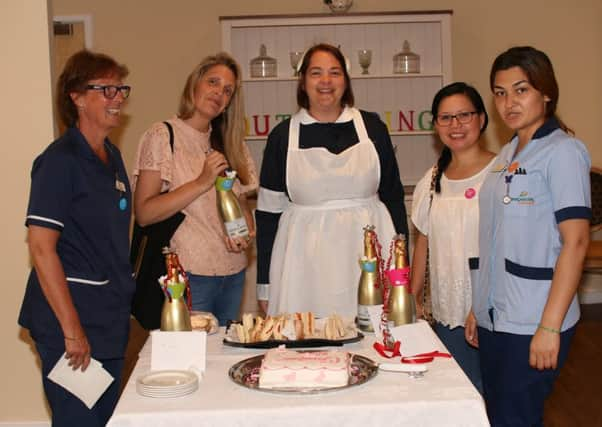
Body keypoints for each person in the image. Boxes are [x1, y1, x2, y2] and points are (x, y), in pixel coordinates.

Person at [471, 46, 591, 426]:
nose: (508, 102)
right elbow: (495, 239)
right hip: (496, 318)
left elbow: (576, 242)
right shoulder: (507, 153)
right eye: (500, 92)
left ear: (546, 92)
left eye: (521, 90)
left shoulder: (563, 152)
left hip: (532, 319)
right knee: (500, 415)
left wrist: (550, 326)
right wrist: (479, 306)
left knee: (515, 418)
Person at [18, 50, 134, 426]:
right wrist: (72, 332)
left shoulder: (112, 157)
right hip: (71, 325)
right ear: (76, 96)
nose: (117, 98)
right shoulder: (59, 161)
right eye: (106, 89)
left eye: (121, 89)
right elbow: (41, 248)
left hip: (109, 320)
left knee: (105, 419)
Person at [255, 43, 408, 318]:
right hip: (304, 264)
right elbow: (267, 215)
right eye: (316, 73)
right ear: (302, 82)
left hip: (369, 254)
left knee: (375, 335)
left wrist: (401, 267)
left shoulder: (373, 128)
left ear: (346, 82)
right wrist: (265, 285)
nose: (326, 81)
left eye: (334, 73)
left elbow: (394, 198)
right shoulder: (281, 136)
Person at [132, 52, 257, 326]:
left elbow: (242, 202)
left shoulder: (231, 142)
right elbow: (144, 212)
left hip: (234, 275)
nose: (218, 93)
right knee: (191, 362)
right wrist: (201, 182)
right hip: (188, 275)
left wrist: (246, 230)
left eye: (227, 90)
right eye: (213, 82)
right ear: (195, 84)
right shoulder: (163, 136)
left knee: (222, 360)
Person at [410, 82, 495, 393]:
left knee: (492, 396)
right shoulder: (433, 178)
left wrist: (482, 304)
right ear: (435, 125)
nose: (455, 125)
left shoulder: (499, 173)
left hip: (490, 313)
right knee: (455, 395)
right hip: (447, 314)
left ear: (482, 119)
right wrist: (414, 297)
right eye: (446, 118)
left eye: (464, 116)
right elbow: (423, 241)